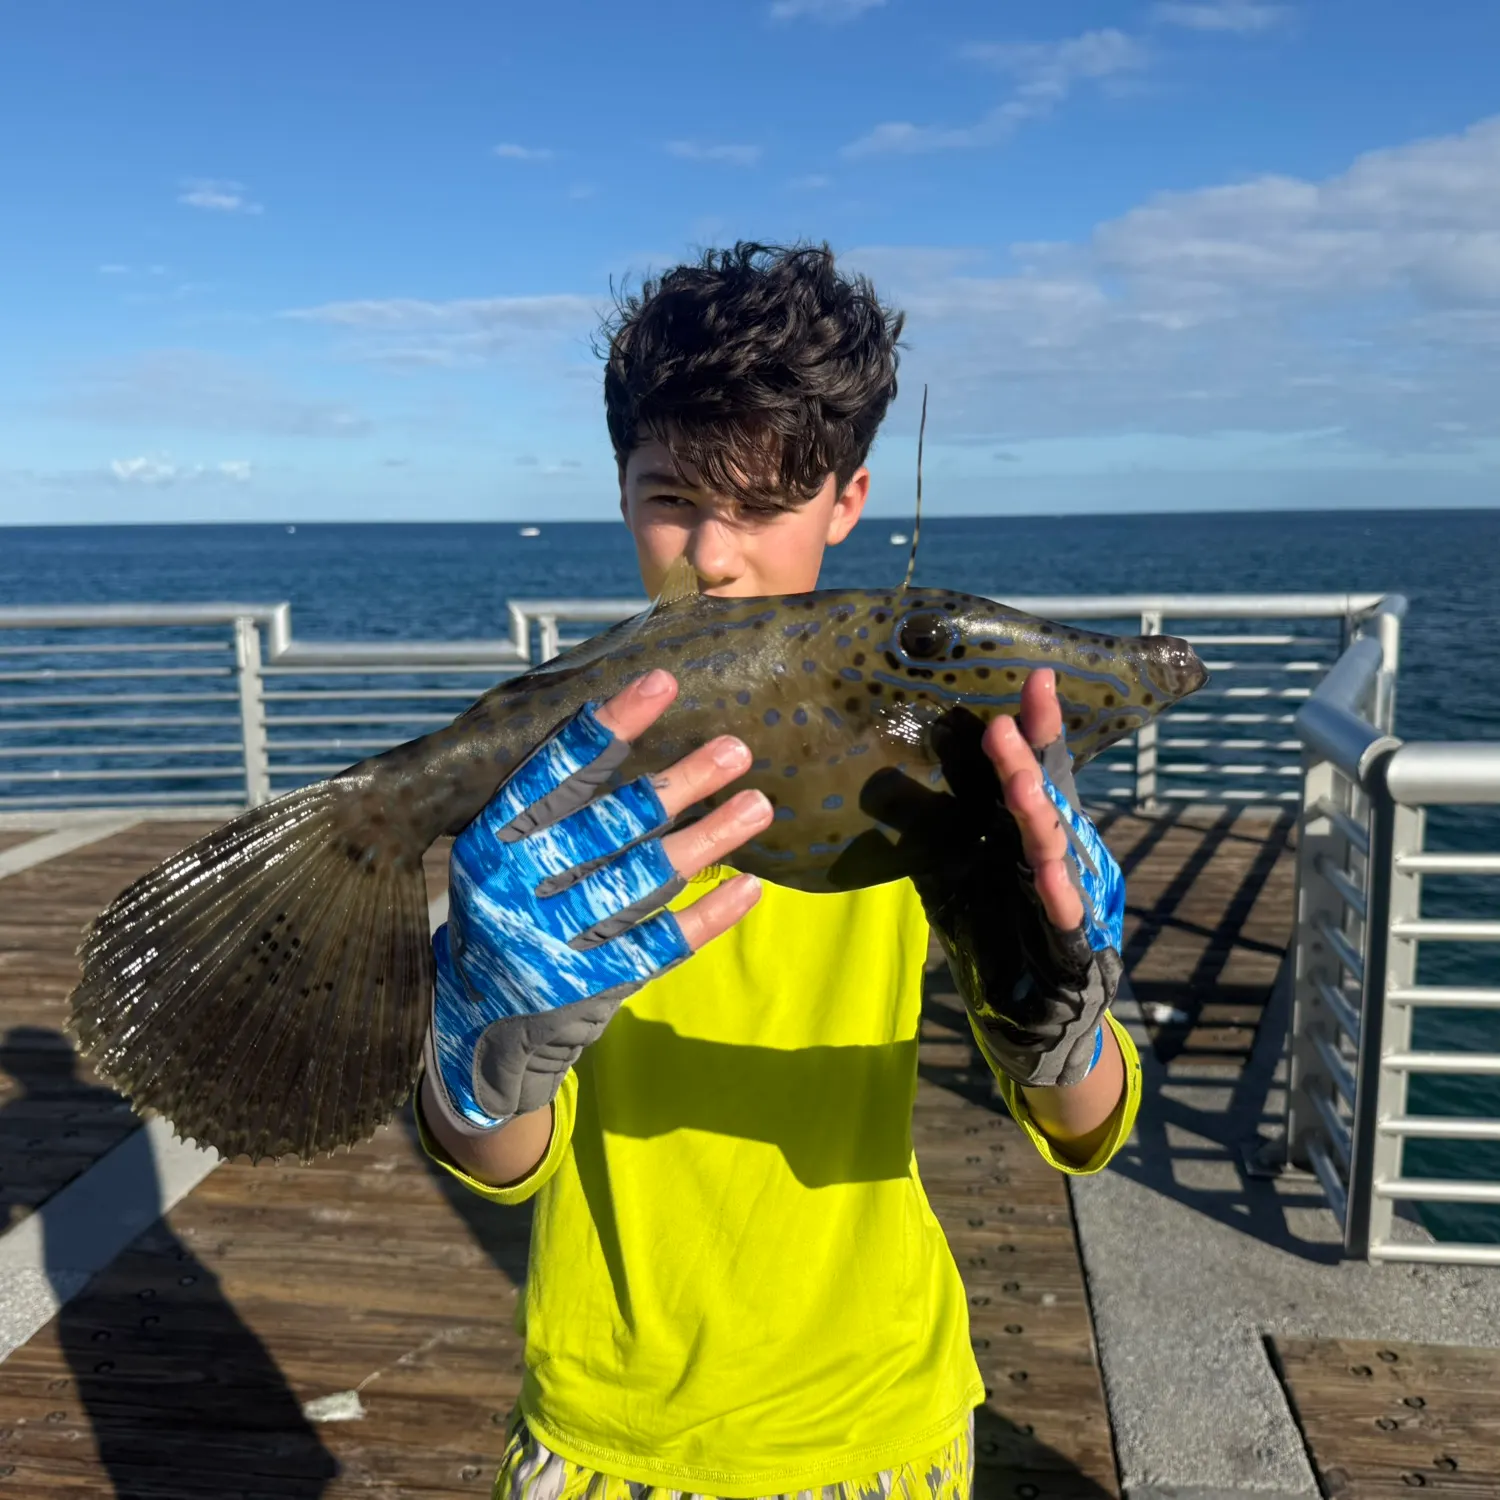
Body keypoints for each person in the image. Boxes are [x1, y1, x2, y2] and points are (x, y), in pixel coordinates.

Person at [416, 242, 1142, 1500]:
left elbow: (1081, 1128)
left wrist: (1060, 1020)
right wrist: (479, 1055)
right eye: (672, 499)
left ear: (849, 500)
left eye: (761, 507)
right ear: (621, 487)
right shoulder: (562, 783)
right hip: (607, 1419)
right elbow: (499, 1157)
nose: (713, 556)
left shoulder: (924, 758)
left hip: (883, 1411)